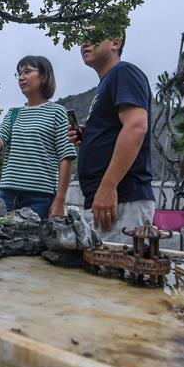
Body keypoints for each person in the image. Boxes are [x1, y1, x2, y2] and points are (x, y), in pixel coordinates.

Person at [67, 30, 155, 244]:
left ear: (116, 42)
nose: (84, 42)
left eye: (93, 35)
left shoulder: (124, 72)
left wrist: (107, 187)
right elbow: (119, 127)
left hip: (121, 198)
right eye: (82, 37)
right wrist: (91, 136)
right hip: (106, 199)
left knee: (115, 272)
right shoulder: (105, 84)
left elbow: (135, 126)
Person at [0, 56, 76, 219]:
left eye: (27, 71)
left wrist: (60, 199)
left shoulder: (57, 112)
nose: (21, 77)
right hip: (7, 195)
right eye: (19, 74)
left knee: (33, 243)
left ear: (44, 76)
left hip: (41, 197)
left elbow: (66, 156)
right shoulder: (13, 113)